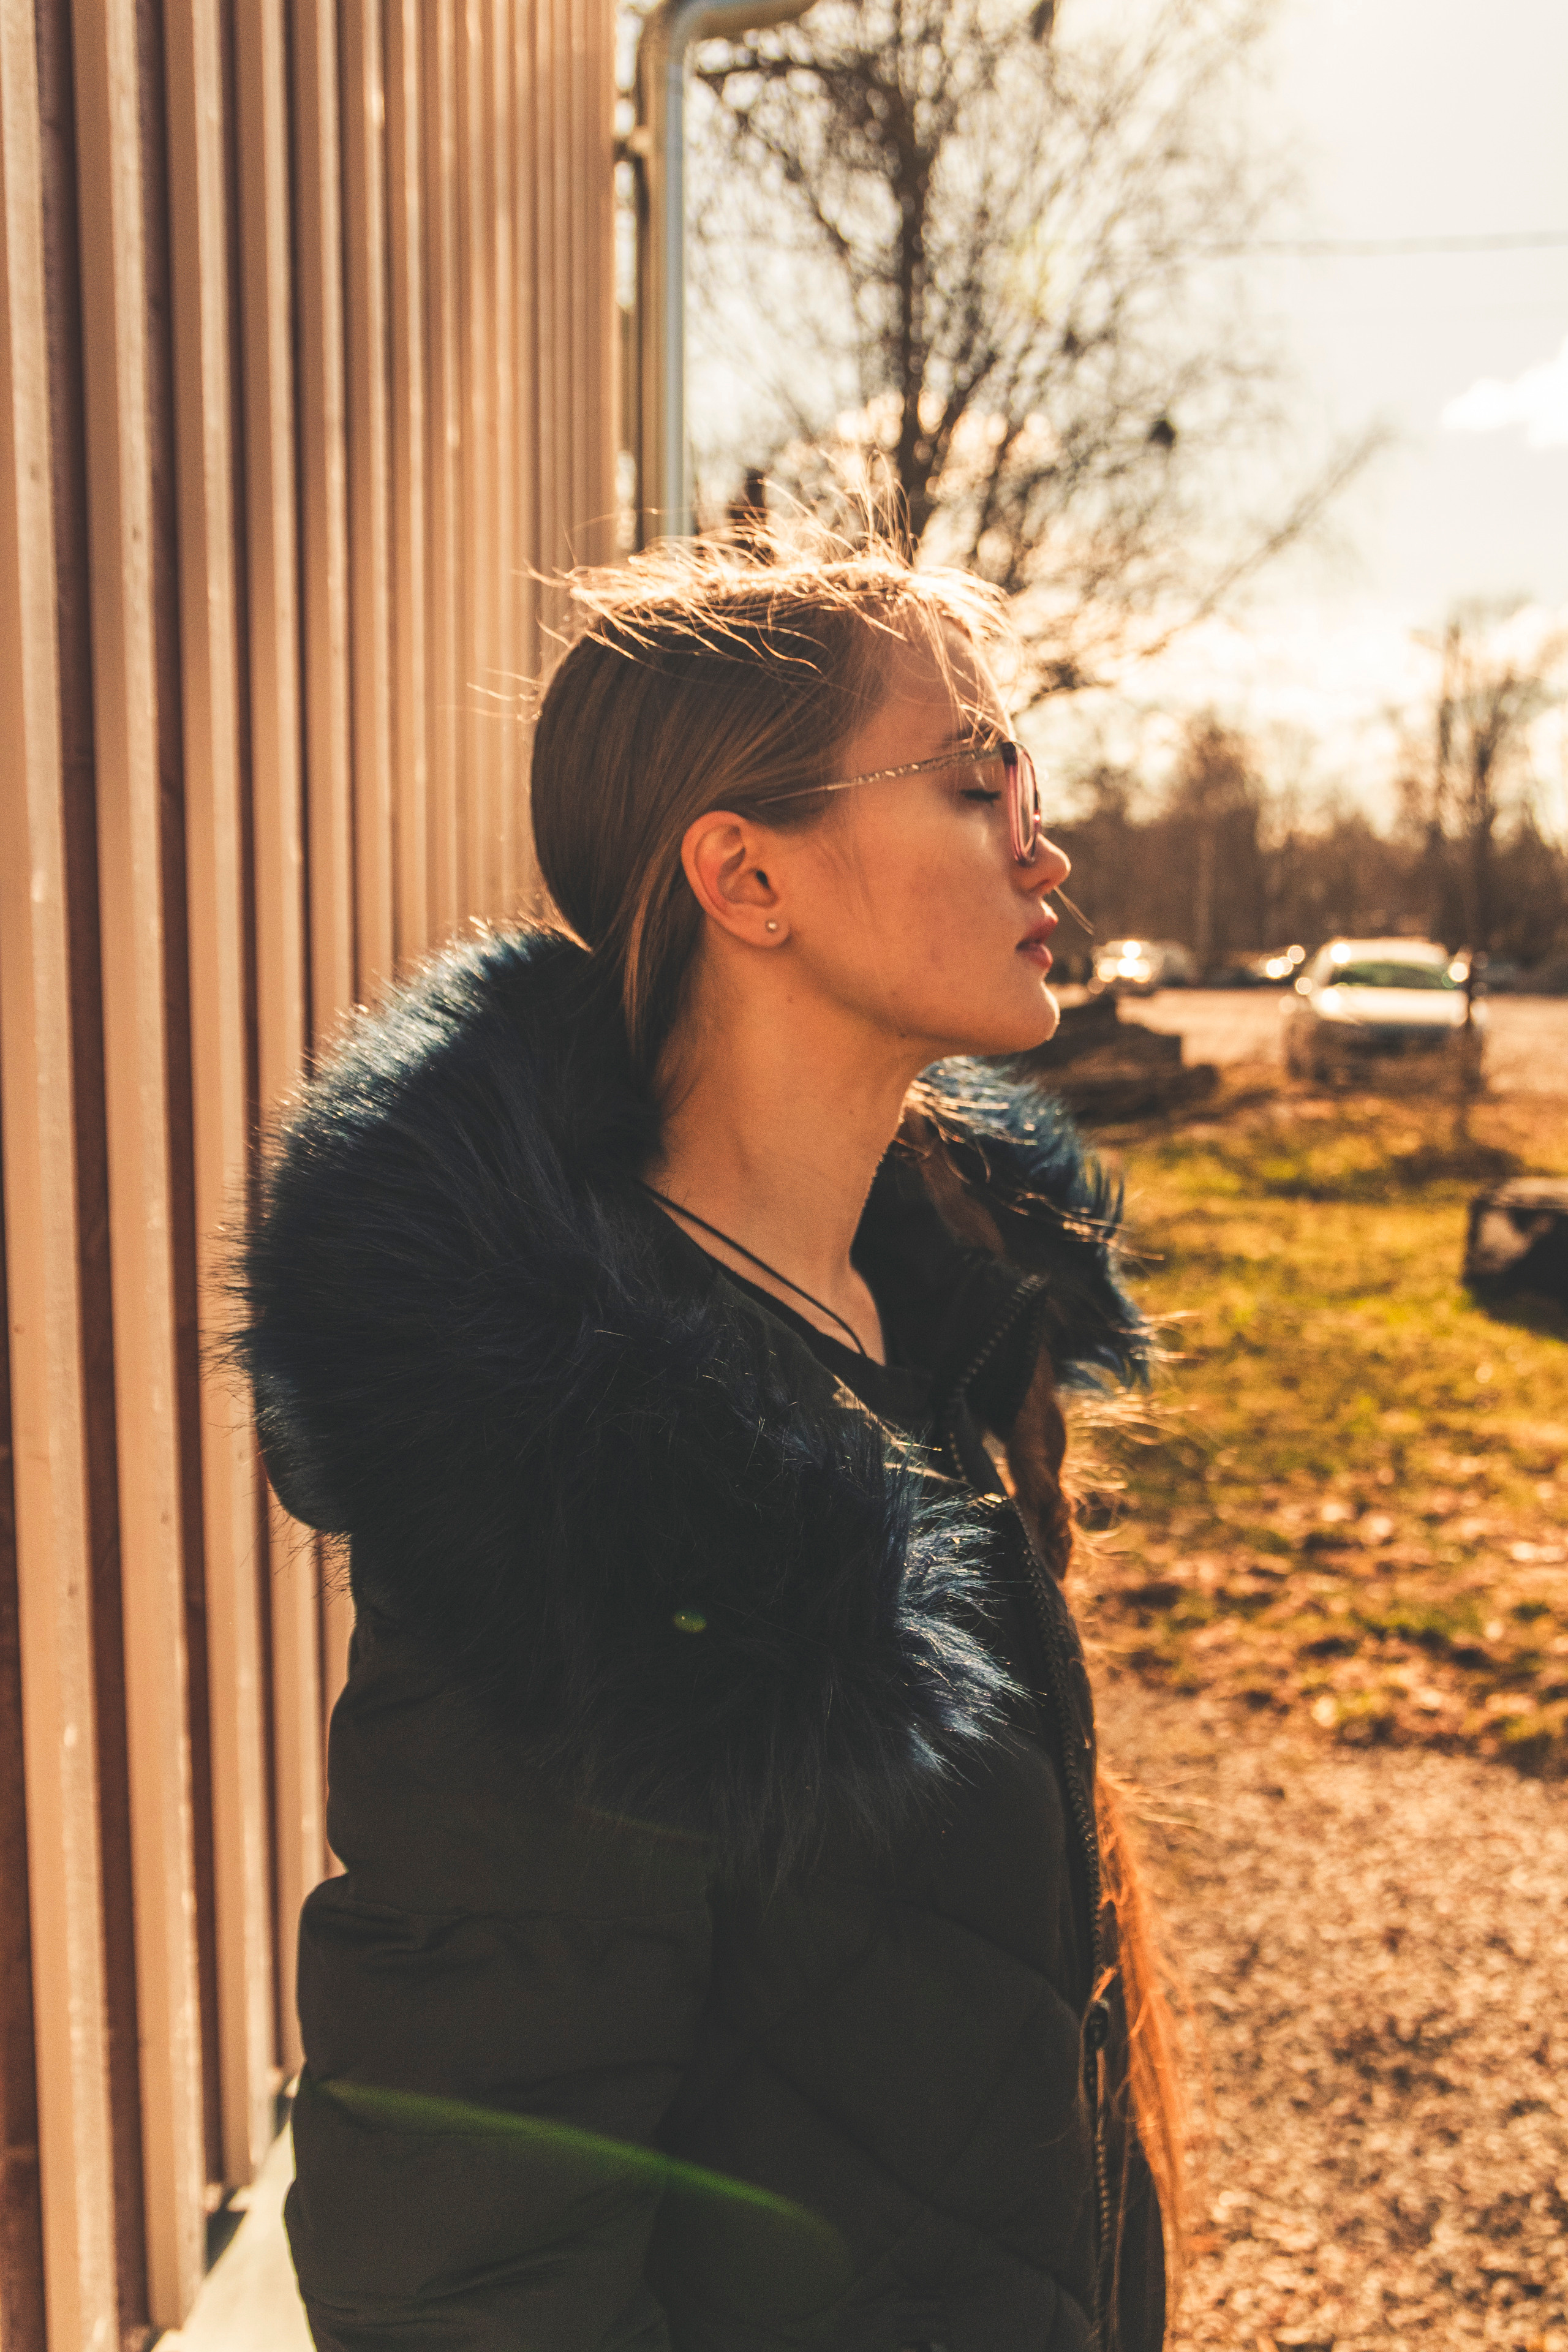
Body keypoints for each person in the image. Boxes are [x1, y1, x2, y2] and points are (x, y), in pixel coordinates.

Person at [238, 527, 1183, 2351]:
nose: (1042, 842)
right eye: (977, 778)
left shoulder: (933, 1311)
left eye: (1029, 778)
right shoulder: (592, 1480)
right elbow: (464, 2271)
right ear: (747, 876)